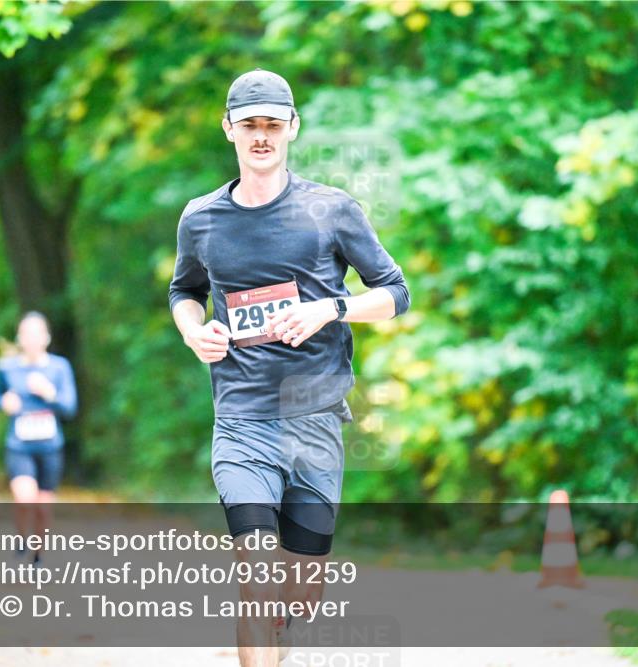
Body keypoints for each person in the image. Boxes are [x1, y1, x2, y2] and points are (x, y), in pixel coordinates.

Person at [169, 69, 410, 666]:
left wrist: (331, 310)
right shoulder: (200, 218)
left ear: (292, 128)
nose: (262, 136)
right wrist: (194, 331)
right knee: (254, 568)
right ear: (229, 129)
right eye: (250, 124)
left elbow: (396, 293)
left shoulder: (331, 210)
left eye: (273, 125)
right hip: (242, 420)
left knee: (300, 592)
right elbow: (183, 290)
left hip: (314, 421)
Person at [0, 311, 77, 564]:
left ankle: (38, 556)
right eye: (26, 333)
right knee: (25, 498)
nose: (31, 339)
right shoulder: (8, 368)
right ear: (20, 338)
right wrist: (3, 401)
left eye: (37, 333)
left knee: (43, 507)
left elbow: (70, 407)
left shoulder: (59, 367)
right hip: (19, 445)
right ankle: (21, 539)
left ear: (46, 338)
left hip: (50, 446)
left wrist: (49, 393)